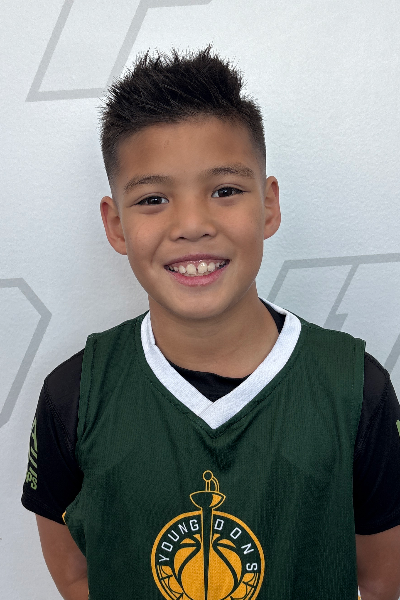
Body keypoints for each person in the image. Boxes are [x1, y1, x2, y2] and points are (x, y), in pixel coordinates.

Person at [22, 47, 400, 600]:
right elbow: (77, 576)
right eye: (153, 198)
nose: (192, 224)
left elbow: (383, 580)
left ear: (268, 206)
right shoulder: (73, 396)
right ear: (116, 225)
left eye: (225, 191)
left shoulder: (355, 389)